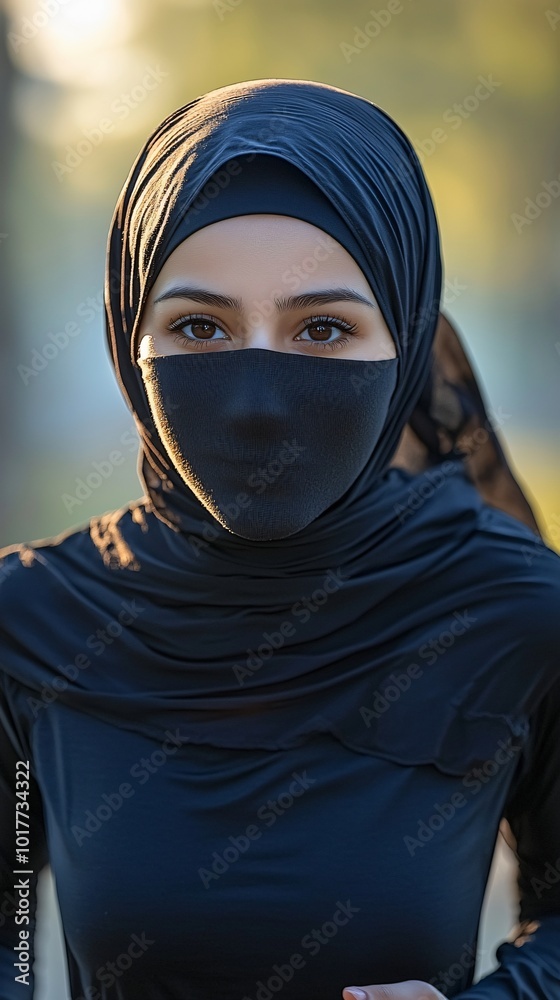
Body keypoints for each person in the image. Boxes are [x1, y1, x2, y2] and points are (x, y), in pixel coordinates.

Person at [1, 77, 559, 1000]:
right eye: (199, 327)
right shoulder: (33, 621)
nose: (259, 399)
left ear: (410, 335)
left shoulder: (508, 613)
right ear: (126, 336)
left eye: (325, 329)